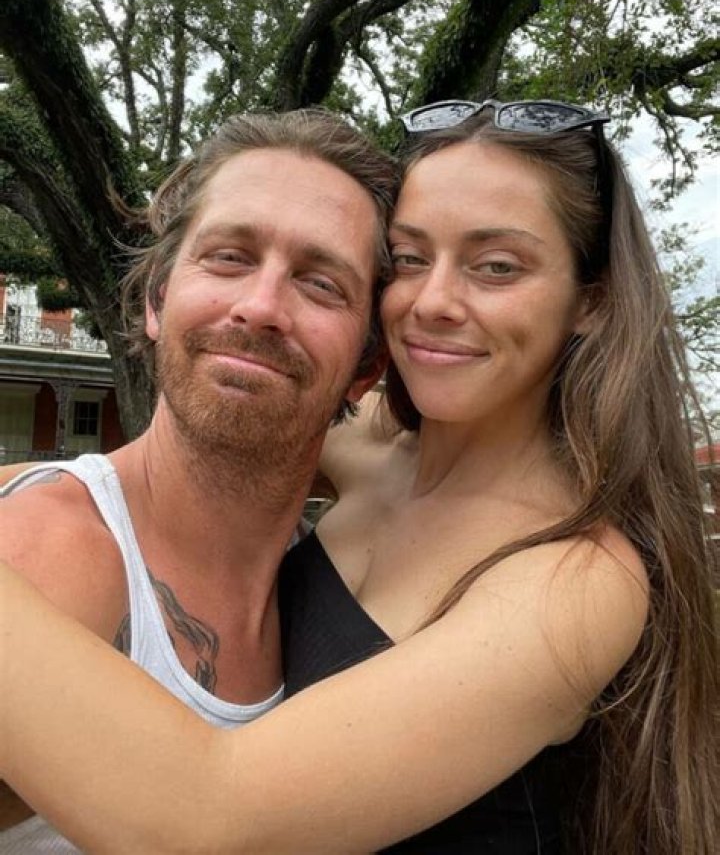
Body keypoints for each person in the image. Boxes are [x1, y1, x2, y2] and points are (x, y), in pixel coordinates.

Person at [1, 100, 717, 854]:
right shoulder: (375, 447)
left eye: (497, 266)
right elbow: (244, 414)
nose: (434, 302)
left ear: (591, 301)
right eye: (410, 259)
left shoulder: (576, 574)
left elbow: (214, 818)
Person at [0, 109, 397, 850]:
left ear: (368, 364)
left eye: (320, 284)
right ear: (157, 299)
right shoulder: (47, 555)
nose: (261, 306)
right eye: (228, 257)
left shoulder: (343, 588)